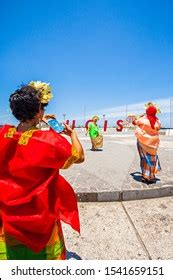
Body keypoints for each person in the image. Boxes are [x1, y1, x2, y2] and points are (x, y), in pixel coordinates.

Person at [0, 82, 84, 260]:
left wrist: (40, 120)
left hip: (9, 210)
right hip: (40, 210)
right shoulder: (48, 141)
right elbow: (79, 155)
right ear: (38, 110)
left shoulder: (4, 134)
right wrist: (72, 135)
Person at [132, 103, 161, 184]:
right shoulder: (158, 121)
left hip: (142, 141)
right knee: (152, 158)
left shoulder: (143, 119)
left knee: (144, 158)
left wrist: (140, 116)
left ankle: (146, 176)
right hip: (153, 143)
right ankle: (151, 175)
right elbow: (158, 128)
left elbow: (134, 122)